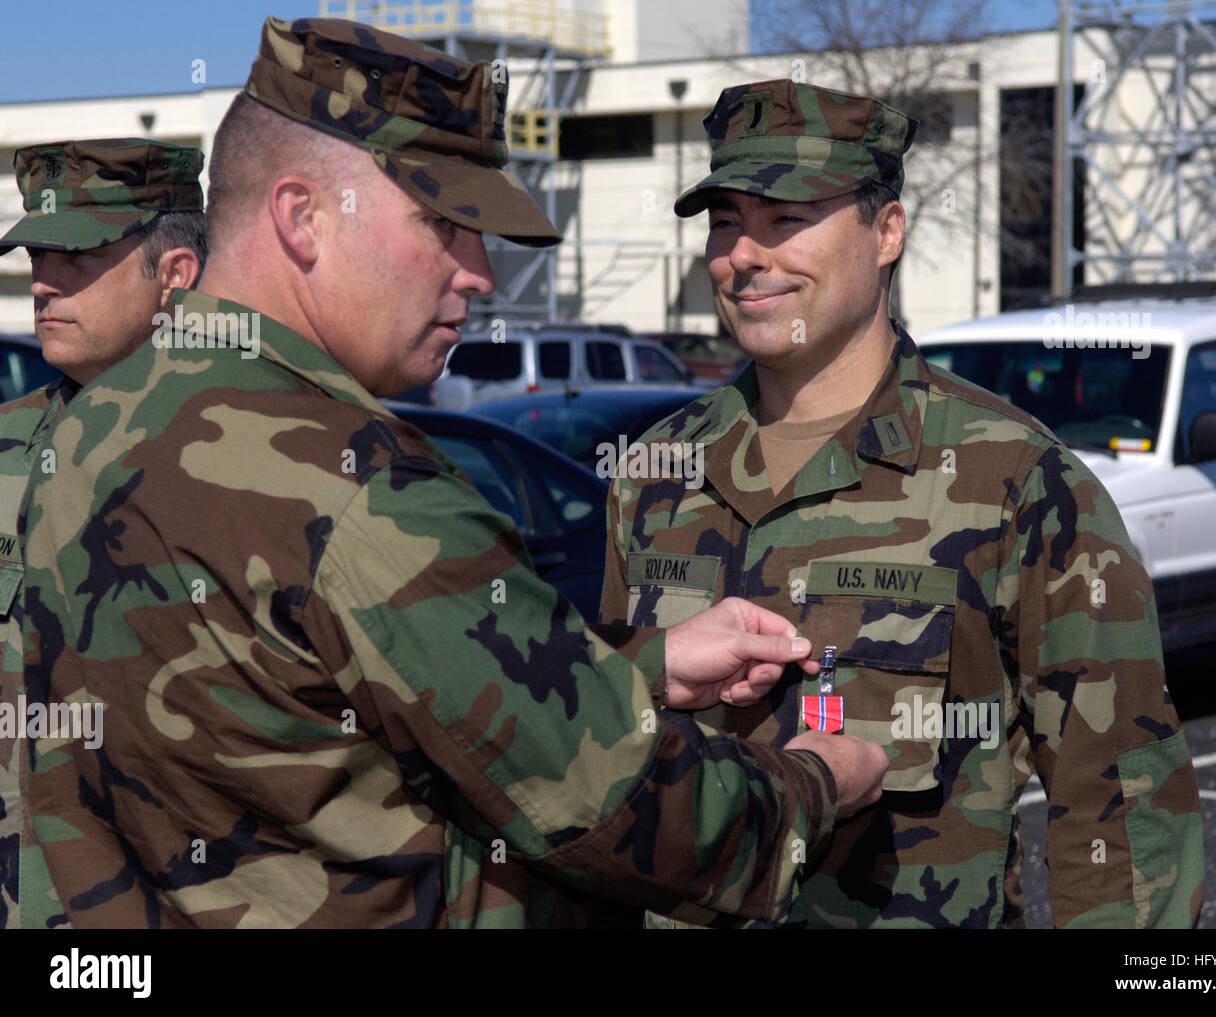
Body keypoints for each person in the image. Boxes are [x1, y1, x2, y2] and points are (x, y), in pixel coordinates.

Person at [15, 19, 888, 929]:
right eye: (444, 223)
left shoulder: (90, 429)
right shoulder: (356, 483)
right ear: (302, 218)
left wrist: (649, 664)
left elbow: (313, 688)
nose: (480, 273)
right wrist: (818, 783)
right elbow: (617, 806)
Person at [600, 79, 1204, 928]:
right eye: (727, 221)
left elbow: (1120, 807)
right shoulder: (654, 475)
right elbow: (602, 761)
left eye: (787, 219)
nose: (745, 255)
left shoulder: (1019, 482)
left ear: (887, 232)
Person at [0, 138, 206, 928]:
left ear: (175, 276)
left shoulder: (257, 464)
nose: (43, 283)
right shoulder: (8, 451)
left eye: (77, 257)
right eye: (38, 255)